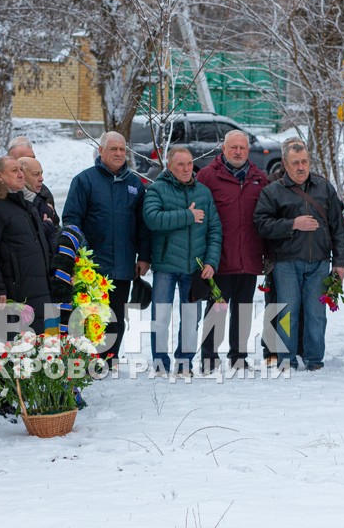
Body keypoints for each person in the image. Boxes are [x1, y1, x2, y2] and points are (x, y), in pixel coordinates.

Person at [254, 142, 344, 371]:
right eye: (295, 163)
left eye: (304, 161)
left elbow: (338, 227)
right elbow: (261, 224)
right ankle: (287, 359)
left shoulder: (324, 188)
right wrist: (292, 224)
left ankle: (314, 359)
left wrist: (341, 263)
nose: (301, 167)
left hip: (319, 261)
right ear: (285, 164)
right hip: (286, 262)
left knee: (316, 314)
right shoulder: (273, 191)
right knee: (287, 312)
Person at [63, 132, 152, 365]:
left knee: (116, 315)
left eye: (123, 149)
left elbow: (142, 225)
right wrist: (81, 254)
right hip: (92, 265)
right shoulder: (84, 181)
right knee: (91, 314)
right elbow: (72, 219)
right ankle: (89, 357)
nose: (119, 154)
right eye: (113, 149)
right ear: (101, 151)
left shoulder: (134, 184)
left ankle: (109, 359)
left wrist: (143, 256)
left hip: (123, 263)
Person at [143, 146, 222, 375]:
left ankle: (184, 362)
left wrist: (211, 262)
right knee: (160, 317)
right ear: (169, 166)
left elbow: (215, 229)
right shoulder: (157, 189)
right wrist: (187, 216)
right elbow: (152, 219)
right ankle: (160, 363)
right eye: (180, 164)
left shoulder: (203, 193)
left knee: (190, 319)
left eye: (189, 164)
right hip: (166, 266)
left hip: (194, 267)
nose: (187, 169)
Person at [197, 129, 269, 370]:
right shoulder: (207, 176)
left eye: (242, 148)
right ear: (223, 149)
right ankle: (209, 357)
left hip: (248, 256)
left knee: (244, 310)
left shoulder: (259, 178)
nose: (238, 152)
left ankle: (238, 357)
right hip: (219, 257)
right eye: (233, 148)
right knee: (216, 309)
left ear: (248, 151)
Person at [0, 157, 52, 339]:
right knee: (14, 358)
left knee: (39, 355)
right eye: (14, 171)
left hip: (38, 291)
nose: (20, 174)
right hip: (13, 297)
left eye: (21, 170)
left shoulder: (24, 204)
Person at [8, 136, 58, 215]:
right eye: (27, 158)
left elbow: (54, 223)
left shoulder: (43, 192)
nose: (33, 161)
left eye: (34, 157)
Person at [19, 156, 59, 242]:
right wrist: (45, 227)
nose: (41, 179)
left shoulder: (42, 199)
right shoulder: (11, 202)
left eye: (41, 173)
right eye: (36, 174)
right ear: (21, 175)